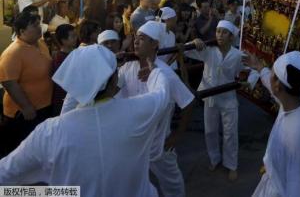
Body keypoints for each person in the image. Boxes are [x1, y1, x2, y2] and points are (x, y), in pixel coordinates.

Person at [0, 44, 173, 197]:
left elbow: (4, 174)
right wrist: (153, 71)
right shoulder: (138, 111)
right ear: (114, 80)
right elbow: (162, 92)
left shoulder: (50, 131)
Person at [115, 21, 195, 197]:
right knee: (132, 182)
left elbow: (189, 102)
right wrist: (113, 63)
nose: (136, 41)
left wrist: (176, 135)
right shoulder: (127, 67)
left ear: (155, 45)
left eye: (142, 39)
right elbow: (113, 91)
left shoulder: (165, 73)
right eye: (136, 37)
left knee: (171, 182)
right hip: (132, 140)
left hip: (159, 142)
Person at [244, 51, 300, 197]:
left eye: (272, 71)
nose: (270, 74)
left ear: (278, 85)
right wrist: (260, 67)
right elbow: (272, 85)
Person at [189, 20, 259, 181]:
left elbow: (254, 69)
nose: (219, 35)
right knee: (210, 131)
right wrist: (194, 42)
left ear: (231, 37)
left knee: (230, 133)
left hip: (228, 98)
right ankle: (214, 158)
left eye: (224, 32)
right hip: (210, 97)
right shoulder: (208, 50)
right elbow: (186, 52)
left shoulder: (237, 55)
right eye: (218, 31)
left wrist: (251, 81)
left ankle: (231, 165)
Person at [0, 12, 53, 157]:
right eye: (34, 25)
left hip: (43, 106)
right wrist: (26, 106)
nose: (39, 28)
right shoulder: (13, 52)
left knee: (37, 149)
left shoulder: (40, 44)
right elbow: (9, 82)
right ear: (22, 31)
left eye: (39, 24)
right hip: (23, 113)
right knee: (20, 151)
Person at [51, 24, 78, 115]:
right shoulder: (59, 58)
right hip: (63, 100)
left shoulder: (75, 53)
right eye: (73, 36)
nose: (76, 38)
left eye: (76, 35)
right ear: (63, 40)